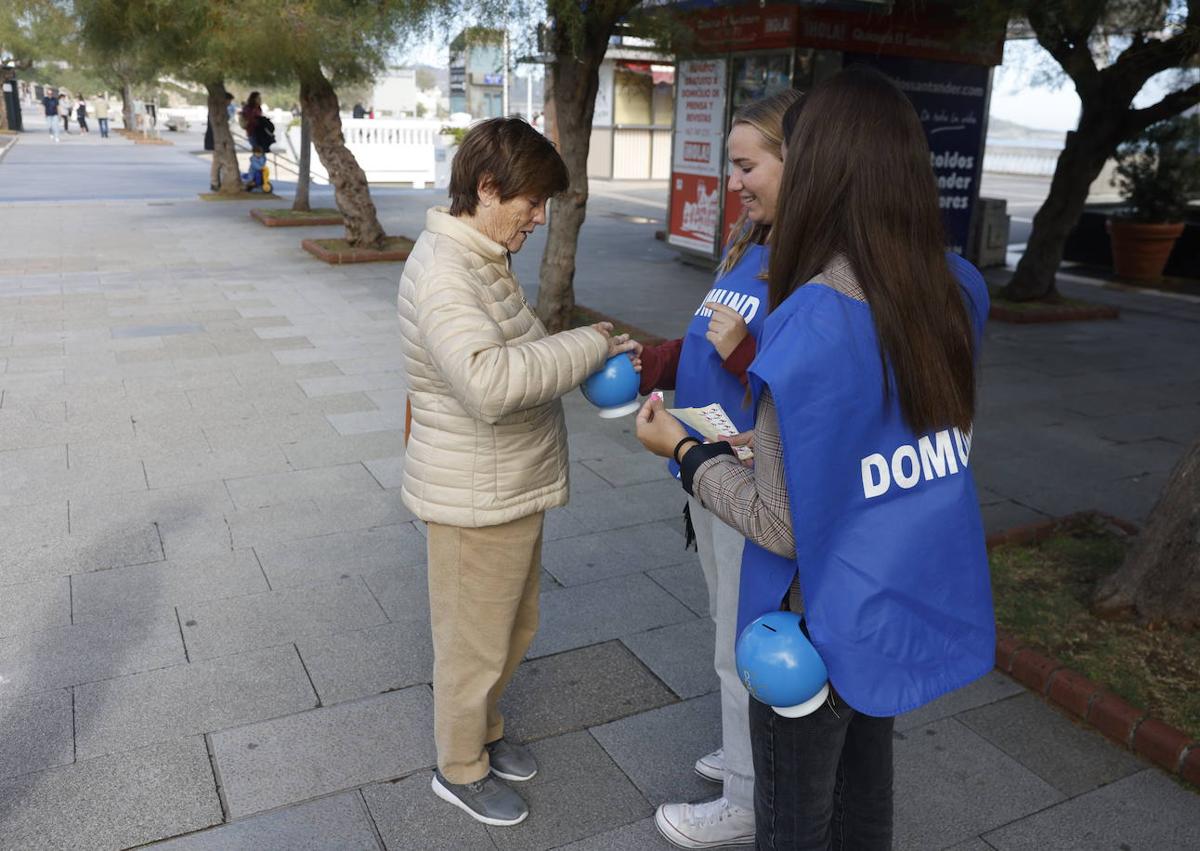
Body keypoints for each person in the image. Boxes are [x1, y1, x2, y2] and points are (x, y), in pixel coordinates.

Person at [634, 66, 995, 850]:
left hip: (811, 618)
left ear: (822, 170)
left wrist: (686, 451)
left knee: (795, 818)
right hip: (895, 596)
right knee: (867, 800)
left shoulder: (810, 323)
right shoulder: (958, 289)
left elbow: (780, 521)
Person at [396, 116, 637, 828]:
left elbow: (515, 353)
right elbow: (490, 381)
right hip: (474, 492)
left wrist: (577, 347)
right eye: (530, 201)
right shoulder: (446, 273)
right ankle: (460, 766)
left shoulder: (479, 258)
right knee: (473, 641)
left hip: (504, 481)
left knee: (510, 625)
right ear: (487, 186)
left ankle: (486, 734)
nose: (538, 216)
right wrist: (587, 347)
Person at [628, 88, 802, 850]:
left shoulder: (810, 265)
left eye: (746, 165)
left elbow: (812, 387)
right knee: (723, 630)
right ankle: (743, 757)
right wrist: (656, 359)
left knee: (743, 643)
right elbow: (705, 339)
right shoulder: (750, 244)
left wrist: (744, 353)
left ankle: (747, 800)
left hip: (749, 486)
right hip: (703, 472)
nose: (734, 182)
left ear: (798, 163)